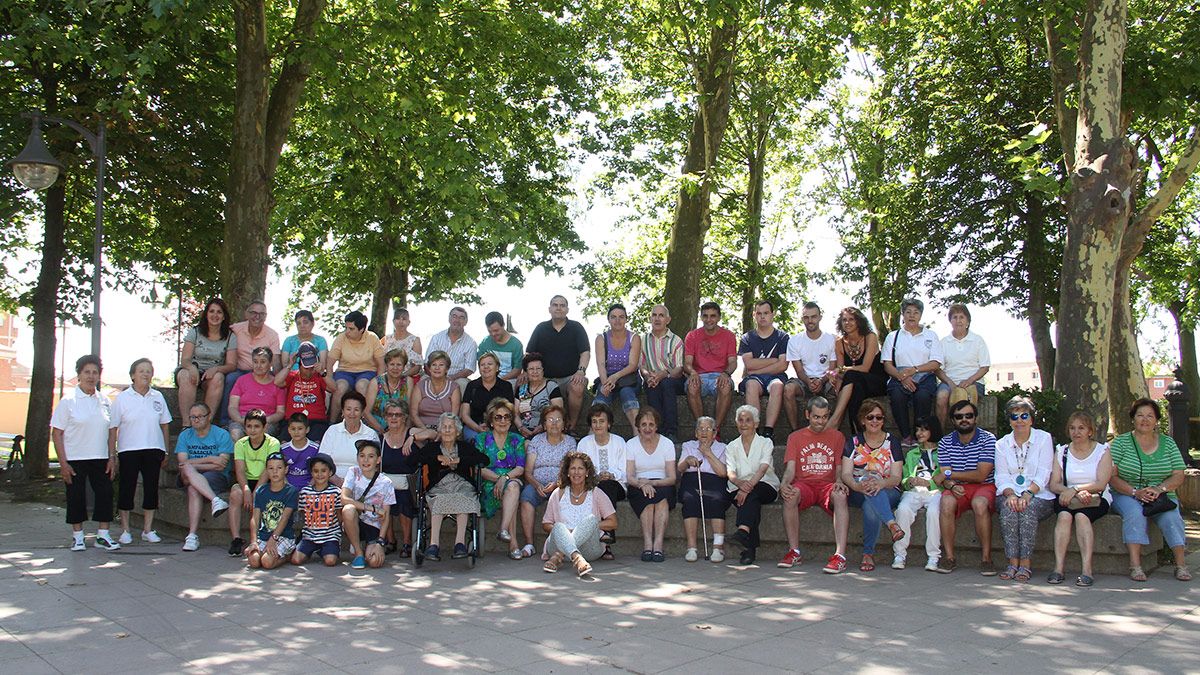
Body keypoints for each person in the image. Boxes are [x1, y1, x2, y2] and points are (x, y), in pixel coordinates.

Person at [1108, 398, 1190, 582]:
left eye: (1150, 416)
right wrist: (1135, 492)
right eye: (1140, 415)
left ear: (1156, 420)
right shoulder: (1120, 443)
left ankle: (1181, 565)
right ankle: (1135, 566)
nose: (1145, 420)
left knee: (1171, 517)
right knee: (1135, 513)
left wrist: (1159, 489)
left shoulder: (1168, 443)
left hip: (1161, 493)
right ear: (1133, 419)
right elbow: (1111, 476)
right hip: (1127, 492)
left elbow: (1178, 474)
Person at [52, 355, 119, 551]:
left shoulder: (105, 401)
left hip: (100, 458)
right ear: (79, 374)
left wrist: (111, 457)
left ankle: (103, 535)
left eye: (95, 372)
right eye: (87, 372)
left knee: (106, 494)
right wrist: (63, 463)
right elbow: (57, 433)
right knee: (76, 497)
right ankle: (78, 536)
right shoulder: (68, 401)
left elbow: (111, 431)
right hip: (75, 459)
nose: (91, 376)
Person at [778, 397, 851, 572]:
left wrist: (840, 481)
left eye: (825, 417)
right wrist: (785, 483)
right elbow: (791, 469)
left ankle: (840, 556)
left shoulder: (837, 436)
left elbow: (839, 466)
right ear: (807, 415)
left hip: (828, 485)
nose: (821, 421)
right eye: (816, 417)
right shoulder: (795, 437)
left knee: (841, 495)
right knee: (790, 495)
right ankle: (794, 552)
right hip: (805, 485)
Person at [109, 358, 172, 545]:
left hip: (153, 448)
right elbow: (113, 428)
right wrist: (113, 453)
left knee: (151, 489)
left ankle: (147, 529)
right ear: (132, 375)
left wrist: (166, 451)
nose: (145, 374)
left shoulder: (158, 397)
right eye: (141, 371)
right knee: (126, 488)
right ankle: (126, 529)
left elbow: (165, 425)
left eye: (148, 371)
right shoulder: (122, 398)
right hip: (129, 449)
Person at [1047, 411, 1113, 586]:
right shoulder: (1062, 451)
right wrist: (1072, 492)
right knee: (1064, 517)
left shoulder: (1102, 451)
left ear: (1090, 431)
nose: (1076, 432)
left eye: (1081, 428)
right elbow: (1054, 484)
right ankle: (1058, 568)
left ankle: (1086, 571)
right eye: (1072, 428)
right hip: (1069, 497)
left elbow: (1101, 483)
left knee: (1082, 517)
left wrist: (1077, 489)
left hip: (1096, 498)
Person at [994, 396, 1056, 582]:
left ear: (1031, 419)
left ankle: (1025, 565)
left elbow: (1044, 472)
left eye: (1024, 416)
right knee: (1009, 508)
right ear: (1009, 421)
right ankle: (1013, 563)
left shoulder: (1044, 439)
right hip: (1010, 492)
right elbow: (1002, 475)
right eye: (1014, 417)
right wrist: (1011, 494)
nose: (1019, 420)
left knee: (1027, 510)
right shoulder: (1001, 444)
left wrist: (1028, 493)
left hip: (1039, 494)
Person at [935, 399, 998, 575]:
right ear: (952, 421)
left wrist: (950, 476)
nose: (964, 419)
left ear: (975, 418)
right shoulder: (945, 442)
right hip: (958, 487)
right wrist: (952, 484)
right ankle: (949, 557)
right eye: (959, 417)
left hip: (984, 486)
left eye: (969, 416)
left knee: (979, 504)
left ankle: (987, 559)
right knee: (945, 503)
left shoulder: (988, 439)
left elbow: (981, 475)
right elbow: (945, 476)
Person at [840, 399, 904, 572]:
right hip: (858, 490)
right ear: (862, 420)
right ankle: (892, 524)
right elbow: (846, 473)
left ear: (883, 420)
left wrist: (881, 483)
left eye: (879, 417)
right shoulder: (852, 442)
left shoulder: (893, 442)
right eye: (870, 417)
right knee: (867, 486)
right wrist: (855, 485)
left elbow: (896, 477)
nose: (875, 421)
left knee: (871, 503)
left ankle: (868, 554)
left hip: (888, 489)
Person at [417, 413, 489, 561]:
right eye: (444, 427)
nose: (448, 430)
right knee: (438, 500)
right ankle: (433, 544)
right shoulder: (432, 448)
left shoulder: (465, 447)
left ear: (457, 431)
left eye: (451, 427)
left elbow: (484, 459)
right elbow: (413, 460)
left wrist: (460, 460)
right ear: (439, 430)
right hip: (439, 486)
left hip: (462, 485)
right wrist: (437, 458)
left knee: (464, 498)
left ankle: (460, 543)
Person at [542, 452, 619, 577]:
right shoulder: (558, 493)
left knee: (591, 520)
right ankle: (577, 558)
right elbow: (546, 524)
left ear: (587, 472)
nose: (576, 472)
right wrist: (565, 532)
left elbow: (613, 522)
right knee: (559, 527)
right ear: (567, 472)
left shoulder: (596, 493)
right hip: (557, 545)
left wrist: (588, 528)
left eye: (580, 468)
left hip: (588, 550)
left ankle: (559, 556)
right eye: (572, 468)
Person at [881, 298, 943, 446]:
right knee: (897, 396)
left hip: (925, 375)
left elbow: (936, 363)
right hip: (899, 375)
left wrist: (915, 370)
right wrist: (902, 377)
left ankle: (919, 436)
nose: (912, 315)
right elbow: (887, 365)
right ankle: (906, 436)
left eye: (916, 312)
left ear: (921, 315)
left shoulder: (931, 335)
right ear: (903, 314)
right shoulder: (893, 336)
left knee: (922, 396)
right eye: (908, 312)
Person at [175, 403, 237, 552]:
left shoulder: (221, 434)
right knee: (187, 469)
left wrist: (193, 465)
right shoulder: (185, 435)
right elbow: (182, 463)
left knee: (193, 488)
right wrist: (210, 458)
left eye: (199, 416)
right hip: (188, 474)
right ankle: (215, 500)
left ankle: (192, 536)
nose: (195, 420)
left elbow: (221, 465)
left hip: (216, 476)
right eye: (192, 417)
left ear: (209, 417)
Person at [724, 405, 780, 565]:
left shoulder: (765, 442)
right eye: (740, 420)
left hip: (765, 484)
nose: (744, 424)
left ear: (756, 423)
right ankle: (747, 543)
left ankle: (743, 534)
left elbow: (763, 469)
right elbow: (730, 472)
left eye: (748, 420)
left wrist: (747, 487)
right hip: (738, 486)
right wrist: (741, 484)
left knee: (751, 494)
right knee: (750, 499)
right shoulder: (731, 446)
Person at [525, 295, 591, 431]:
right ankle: (533, 427)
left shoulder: (576, 327)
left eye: (562, 305)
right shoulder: (541, 328)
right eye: (555, 305)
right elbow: (529, 354)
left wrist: (581, 371)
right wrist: (525, 372)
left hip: (569, 377)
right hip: (545, 379)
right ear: (550, 309)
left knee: (578, 387)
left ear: (567, 309)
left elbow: (585, 352)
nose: (559, 308)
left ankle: (571, 426)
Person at [519, 404, 577, 559]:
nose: (554, 423)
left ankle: (562, 544)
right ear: (544, 424)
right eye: (550, 419)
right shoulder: (536, 441)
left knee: (564, 496)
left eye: (558, 419)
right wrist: (537, 484)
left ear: (564, 423)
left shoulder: (570, 442)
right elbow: (528, 471)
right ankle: (529, 544)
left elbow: (572, 469)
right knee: (526, 498)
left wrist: (558, 483)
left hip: (561, 484)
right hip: (537, 484)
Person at [892, 416, 944, 571]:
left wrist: (930, 483)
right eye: (917, 429)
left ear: (932, 430)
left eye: (924, 429)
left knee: (934, 512)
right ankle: (900, 554)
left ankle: (934, 556)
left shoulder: (943, 451)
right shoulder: (912, 453)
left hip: (936, 490)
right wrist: (909, 482)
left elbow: (947, 474)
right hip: (914, 491)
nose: (919, 433)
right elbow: (904, 477)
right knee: (902, 510)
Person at [625, 408, 677, 563]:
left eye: (651, 424)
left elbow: (672, 477)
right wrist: (642, 484)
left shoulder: (667, 444)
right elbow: (629, 476)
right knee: (647, 500)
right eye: (644, 424)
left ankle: (658, 544)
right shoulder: (631, 444)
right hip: (638, 484)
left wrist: (652, 483)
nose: (647, 428)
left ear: (656, 426)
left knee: (661, 500)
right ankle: (648, 544)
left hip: (662, 482)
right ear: (638, 427)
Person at [477, 399, 527, 558]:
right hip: (487, 482)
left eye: (507, 417)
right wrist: (499, 479)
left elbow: (520, 468)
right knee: (511, 493)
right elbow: (479, 467)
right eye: (498, 417)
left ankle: (504, 530)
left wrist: (504, 478)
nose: (503, 420)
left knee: (512, 488)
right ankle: (512, 544)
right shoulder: (482, 439)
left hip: (510, 479)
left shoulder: (517, 440)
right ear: (491, 421)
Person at [176, 297, 236, 426]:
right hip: (191, 370)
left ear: (224, 316)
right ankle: (187, 424)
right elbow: (185, 359)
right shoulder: (195, 332)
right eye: (211, 311)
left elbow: (232, 365)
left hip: (212, 373)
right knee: (186, 376)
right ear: (206, 314)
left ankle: (206, 423)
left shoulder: (230, 336)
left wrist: (216, 369)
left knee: (219, 377)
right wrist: (191, 368)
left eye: (219, 312)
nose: (215, 315)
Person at [577, 402, 627, 557]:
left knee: (607, 486)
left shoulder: (619, 442)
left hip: (617, 486)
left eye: (602, 421)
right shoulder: (584, 443)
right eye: (594, 421)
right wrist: (596, 477)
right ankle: (606, 542)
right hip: (591, 486)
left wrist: (611, 475)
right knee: (599, 488)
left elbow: (625, 470)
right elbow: (580, 468)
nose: (598, 425)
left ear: (609, 423)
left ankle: (606, 530)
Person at [677, 417, 729, 563]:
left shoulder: (723, 447)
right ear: (695, 432)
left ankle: (718, 547)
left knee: (717, 499)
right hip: (692, 479)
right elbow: (679, 468)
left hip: (715, 481)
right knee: (689, 499)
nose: (704, 432)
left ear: (715, 432)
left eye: (708, 429)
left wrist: (708, 453)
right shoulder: (688, 446)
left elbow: (723, 472)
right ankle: (691, 547)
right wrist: (687, 462)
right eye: (701, 429)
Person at [828, 306, 886, 435]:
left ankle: (835, 419)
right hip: (856, 384)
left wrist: (840, 370)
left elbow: (865, 368)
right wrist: (836, 379)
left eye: (851, 319)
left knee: (852, 375)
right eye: (844, 320)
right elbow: (842, 374)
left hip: (875, 381)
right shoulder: (839, 343)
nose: (847, 323)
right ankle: (858, 434)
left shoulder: (870, 337)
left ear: (859, 321)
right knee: (855, 391)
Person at [231, 408, 281, 556]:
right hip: (246, 480)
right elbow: (239, 470)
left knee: (260, 498)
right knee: (235, 495)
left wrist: (256, 491)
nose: (252, 430)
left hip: (266, 480)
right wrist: (246, 490)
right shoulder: (241, 444)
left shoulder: (273, 443)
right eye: (249, 426)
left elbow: (269, 469)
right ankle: (236, 539)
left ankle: (259, 539)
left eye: (257, 426)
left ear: (264, 427)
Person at [222, 300, 281, 425]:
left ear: (265, 316)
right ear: (246, 314)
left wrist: (279, 378)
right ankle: (225, 421)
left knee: (278, 385)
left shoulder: (272, 335)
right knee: (231, 379)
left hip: (263, 371)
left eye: (261, 314)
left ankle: (274, 422)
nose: (257, 316)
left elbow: (275, 360)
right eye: (253, 312)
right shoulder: (235, 329)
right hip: (239, 370)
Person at [739, 300, 790, 440]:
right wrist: (774, 360)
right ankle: (755, 429)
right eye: (759, 313)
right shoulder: (747, 338)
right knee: (751, 385)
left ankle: (768, 430)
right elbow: (748, 364)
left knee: (778, 386)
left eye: (766, 313)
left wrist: (757, 369)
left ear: (772, 314)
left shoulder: (782, 337)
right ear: (755, 315)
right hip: (755, 380)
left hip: (775, 376)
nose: (762, 317)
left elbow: (783, 365)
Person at [340, 439, 395, 569]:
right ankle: (359, 552)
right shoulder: (353, 472)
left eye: (371, 456)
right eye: (362, 456)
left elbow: (386, 516)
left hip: (373, 526)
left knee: (375, 562)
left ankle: (367, 546)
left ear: (378, 460)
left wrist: (380, 542)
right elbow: (344, 498)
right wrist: (372, 508)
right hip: (355, 520)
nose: (365, 460)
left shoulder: (386, 482)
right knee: (348, 509)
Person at [783, 302, 838, 432]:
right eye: (806, 317)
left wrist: (821, 381)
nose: (810, 321)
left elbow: (832, 368)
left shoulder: (831, 339)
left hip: (826, 380)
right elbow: (799, 370)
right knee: (788, 389)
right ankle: (795, 431)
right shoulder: (795, 340)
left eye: (813, 317)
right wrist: (809, 382)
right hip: (804, 380)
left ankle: (835, 429)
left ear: (820, 317)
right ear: (802, 319)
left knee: (841, 386)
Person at [684, 302, 738, 432]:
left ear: (719, 317)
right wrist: (692, 373)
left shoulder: (729, 336)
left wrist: (726, 373)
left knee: (725, 386)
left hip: (719, 375)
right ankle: (702, 427)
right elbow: (687, 363)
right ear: (701, 317)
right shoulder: (692, 336)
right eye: (705, 316)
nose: (709, 320)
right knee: (692, 386)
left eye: (713, 316)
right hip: (699, 375)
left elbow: (733, 362)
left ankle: (715, 429)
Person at [934, 304, 990, 428]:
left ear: (968, 321)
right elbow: (937, 369)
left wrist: (969, 381)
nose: (958, 321)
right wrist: (950, 383)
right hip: (949, 381)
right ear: (950, 321)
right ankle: (939, 437)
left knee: (966, 395)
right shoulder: (943, 342)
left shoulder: (977, 340)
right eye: (955, 317)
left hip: (974, 382)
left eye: (961, 317)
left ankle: (968, 435)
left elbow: (985, 367)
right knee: (941, 397)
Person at [327, 310, 385, 420]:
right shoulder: (341, 338)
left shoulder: (372, 338)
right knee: (340, 388)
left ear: (362, 329)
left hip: (367, 372)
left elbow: (381, 364)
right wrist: (329, 379)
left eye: (351, 329)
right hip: (344, 372)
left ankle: (367, 422)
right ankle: (331, 423)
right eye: (346, 328)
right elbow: (329, 364)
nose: (347, 331)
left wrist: (379, 383)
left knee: (362, 386)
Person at [380, 401, 421, 557]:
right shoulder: (381, 439)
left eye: (398, 415)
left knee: (403, 498)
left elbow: (433, 434)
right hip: (387, 483)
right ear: (385, 417)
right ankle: (390, 540)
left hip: (409, 484)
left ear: (404, 417)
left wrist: (413, 438)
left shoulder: (411, 432)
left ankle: (407, 542)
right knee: (383, 497)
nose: (394, 418)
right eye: (390, 414)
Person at [593, 303, 643, 430]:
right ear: (608, 319)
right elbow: (601, 364)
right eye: (613, 317)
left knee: (627, 393)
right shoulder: (601, 338)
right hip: (608, 378)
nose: (617, 320)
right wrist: (605, 383)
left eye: (621, 317)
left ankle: (637, 432)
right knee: (601, 398)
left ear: (626, 319)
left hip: (629, 378)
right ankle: (594, 433)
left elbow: (633, 365)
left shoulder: (634, 338)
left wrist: (616, 376)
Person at [639, 304, 685, 440]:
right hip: (652, 378)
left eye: (661, 315)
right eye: (654, 315)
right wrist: (647, 376)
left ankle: (671, 431)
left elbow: (679, 368)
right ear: (650, 318)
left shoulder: (676, 340)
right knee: (652, 386)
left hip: (673, 379)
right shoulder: (643, 340)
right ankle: (657, 430)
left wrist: (664, 374)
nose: (657, 319)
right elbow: (641, 365)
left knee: (666, 384)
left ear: (668, 320)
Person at [246, 453, 299, 570]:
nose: (275, 472)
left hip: (283, 536)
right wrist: (253, 541)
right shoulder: (261, 491)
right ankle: (268, 551)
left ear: (286, 470)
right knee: (254, 561)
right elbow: (255, 518)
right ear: (266, 471)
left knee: (267, 562)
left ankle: (286, 556)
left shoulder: (291, 491)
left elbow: (285, 518)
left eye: (279, 468)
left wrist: (273, 539)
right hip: (264, 535)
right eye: (271, 468)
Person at [291, 453, 343, 567]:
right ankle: (310, 550)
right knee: (295, 560)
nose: (319, 474)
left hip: (330, 535)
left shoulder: (336, 492)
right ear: (311, 473)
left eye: (323, 471)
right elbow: (302, 513)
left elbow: (339, 514)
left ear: (330, 473)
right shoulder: (305, 492)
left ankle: (326, 550)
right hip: (309, 535)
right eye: (316, 471)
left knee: (330, 561)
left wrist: (336, 529)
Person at [320, 391, 379, 485]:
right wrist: (338, 481)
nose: (352, 413)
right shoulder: (332, 431)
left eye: (356, 409)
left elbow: (373, 466)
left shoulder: (370, 434)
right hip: (332, 482)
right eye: (348, 409)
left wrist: (351, 484)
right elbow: (323, 461)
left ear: (362, 412)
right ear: (342, 411)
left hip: (361, 484)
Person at [274, 341, 330, 441]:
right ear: (299, 365)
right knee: (283, 444)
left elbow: (333, 388)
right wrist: (289, 365)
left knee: (317, 443)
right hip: (293, 421)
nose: (309, 370)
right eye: (306, 367)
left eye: (312, 367)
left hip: (316, 421)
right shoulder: (293, 375)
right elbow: (277, 382)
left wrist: (322, 372)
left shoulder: (320, 376)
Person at [228, 346, 285, 440]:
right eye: (255, 362)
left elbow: (280, 412)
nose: (258, 366)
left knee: (262, 435)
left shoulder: (277, 383)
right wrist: (240, 420)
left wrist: (265, 420)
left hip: (266, 420)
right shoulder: (242, 380)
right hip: (243, 419)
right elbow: (232, 406)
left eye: (263, 362)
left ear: (270, 363)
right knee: (236, 433)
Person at [460, 352, 515, 442]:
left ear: (497, 367)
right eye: (482, 365)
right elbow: (465, 415)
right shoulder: (472, 386)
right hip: (474, 427)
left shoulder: (506, 386)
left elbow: (510, 413)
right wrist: (477, 428)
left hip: (501, 426)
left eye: (490, 364)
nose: (486, 367)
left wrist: (495, 428)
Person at [427, 306, 478, 391]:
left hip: (457, 378)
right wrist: (436, 377)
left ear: (466, 322)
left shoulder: (471, 343)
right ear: (449, 319)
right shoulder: (436, 338)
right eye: (454, 316)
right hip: (434, 375)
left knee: (463, 384)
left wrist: (451, 378)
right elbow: (427, 363)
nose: (457, 320)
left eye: (461, 318)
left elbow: (469, 369)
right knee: (423, 381)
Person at [515, 352, 564, 440]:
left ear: (543, 370)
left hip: (547, 430)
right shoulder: (521, 388)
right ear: (526, 371)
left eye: (538, 368)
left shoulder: (551, 386)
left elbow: (558, 411)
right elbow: (515, 413)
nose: (535, 372)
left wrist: (542, 426)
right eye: (531, 369)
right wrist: (521, 428)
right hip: (524, 430)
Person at [410, 350, 462, 430]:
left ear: (447, 369)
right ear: (429, 368)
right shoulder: (420, 386)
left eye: (441, 365)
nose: (437, 368)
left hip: (445, 430)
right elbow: (413, 414)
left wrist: (441, 432)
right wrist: (425, 431)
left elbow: (453, 416)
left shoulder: (454, 388)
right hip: (422, 428)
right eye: (434, 365)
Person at [365, 348, 413, 434]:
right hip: (376, 429)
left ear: (404, 367)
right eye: (392, 364)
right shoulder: (375, 382)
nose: (395, 368)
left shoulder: (408, 382)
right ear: (386, 366)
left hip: (400, 430)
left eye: (399, 365)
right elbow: (366, 412)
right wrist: (382, 431)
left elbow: (410, 410)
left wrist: (405, 432)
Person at [478, 311, 524, 382]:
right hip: (488, 379)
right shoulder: (485, 342)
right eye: (490, 331)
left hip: (509, 380)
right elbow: (480, 364)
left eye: (496, 330)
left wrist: (499, 381)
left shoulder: (516, 344)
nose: (493, 334)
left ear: (503, 326)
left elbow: (517, 370)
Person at [280, 309, 329, 373]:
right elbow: (285, 365)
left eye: (305, 322)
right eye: (298, 323)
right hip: (293, 376)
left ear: (312, 323)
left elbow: (323, 364)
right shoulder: (289, 341)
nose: (302, 326)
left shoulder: (320, 341)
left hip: (314, 375)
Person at [280, 412, 320, 490]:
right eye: (293, 429)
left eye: (300, 428)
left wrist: (308, 489)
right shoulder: (283, 449)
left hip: (310, 489)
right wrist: (289, 489)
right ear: (288, 430)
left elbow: (318, 472)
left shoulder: (315, 448)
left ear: (307, 429)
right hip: (287, 489)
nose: (296, 432)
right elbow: (281, 473)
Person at [381, 307, 423, 378]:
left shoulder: (415, 340)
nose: (400, 321)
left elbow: (418, 366)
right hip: (389, 377)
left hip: (408, 377)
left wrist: (402, 375)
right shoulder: (386, 339)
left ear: (408, 322)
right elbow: (381, 362)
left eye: (404, 319)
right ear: (393, 321)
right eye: (397, 318)